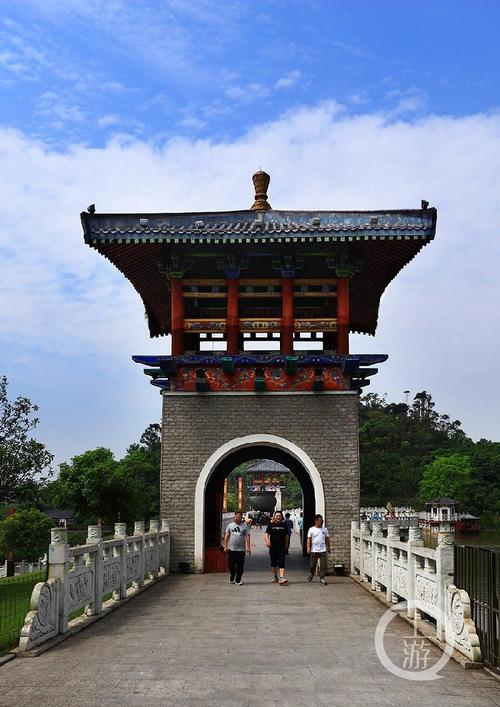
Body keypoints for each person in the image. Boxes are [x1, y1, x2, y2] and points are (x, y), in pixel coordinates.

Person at [223, 511, 251, 585]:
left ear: (241, 517)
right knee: (230, 565)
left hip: (241, 550)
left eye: (239, 517)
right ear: (234, 517)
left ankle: (238, 580)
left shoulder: (245, 526)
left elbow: (247, 537)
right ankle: (232, 575)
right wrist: (225, 546)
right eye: (236, 517)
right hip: (231, 549)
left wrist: (248, 548)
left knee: (240, 566)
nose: (237, 518)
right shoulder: (230, 525)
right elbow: (227, 536)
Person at [264, 510, 289, 585]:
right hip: (273, 548)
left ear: (282, 517)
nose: (278, 517)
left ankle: (281, 578)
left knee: (282, 563)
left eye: (279, 516)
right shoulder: (270, 525)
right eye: (277, 516)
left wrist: (286, 547)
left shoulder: (284, 525)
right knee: (273, 564)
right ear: (274, 517)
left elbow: (287, 537)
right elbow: (266, 534)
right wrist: (267, 541)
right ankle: (275, 577)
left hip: (281, 548)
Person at [306, 514, 331, 585]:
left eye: (322, 521)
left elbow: (327, 539)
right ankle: (311, 574)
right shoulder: (311, 529)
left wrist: (328, 547)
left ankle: (322, 578)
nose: (322, 522)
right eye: (320, 521)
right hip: (314, 550)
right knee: (312, 565)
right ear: (316, 521)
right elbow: (309, 539)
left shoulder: (325, 529)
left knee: (323, 566)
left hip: (323, 550)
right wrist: (308, 547)